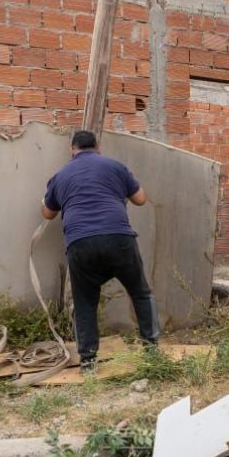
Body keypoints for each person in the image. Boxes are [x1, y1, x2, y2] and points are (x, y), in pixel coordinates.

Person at [41, 130, 159, 369]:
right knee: (140, 293)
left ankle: (88, 361)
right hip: (119, 238)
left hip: (80, 243)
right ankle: (152, 349)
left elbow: (47, 213)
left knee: (85, 303)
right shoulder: (115, 166)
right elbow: (141, 199)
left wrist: (49, 200)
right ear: (98, 147)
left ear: (72, 150)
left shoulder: (60, 175)